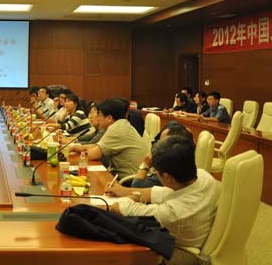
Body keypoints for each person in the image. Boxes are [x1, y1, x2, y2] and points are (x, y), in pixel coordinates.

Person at [106, 135, 220, 264]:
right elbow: (157, 193)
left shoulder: (173, 213)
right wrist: (124, 191)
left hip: (178, 255)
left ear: (166, 177)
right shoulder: (203, 176)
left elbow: (118, 207)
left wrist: (135, 196)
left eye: (155, 171)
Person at [70, 98, 147, 179]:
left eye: (99, 115)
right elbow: (96, 146)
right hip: (127, 175)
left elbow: (92, 155)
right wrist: (74, 147)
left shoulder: (117, 129)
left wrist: (75, 154)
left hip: (129, 180)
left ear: (109, 118)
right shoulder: (121, 125)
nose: (98, 118)